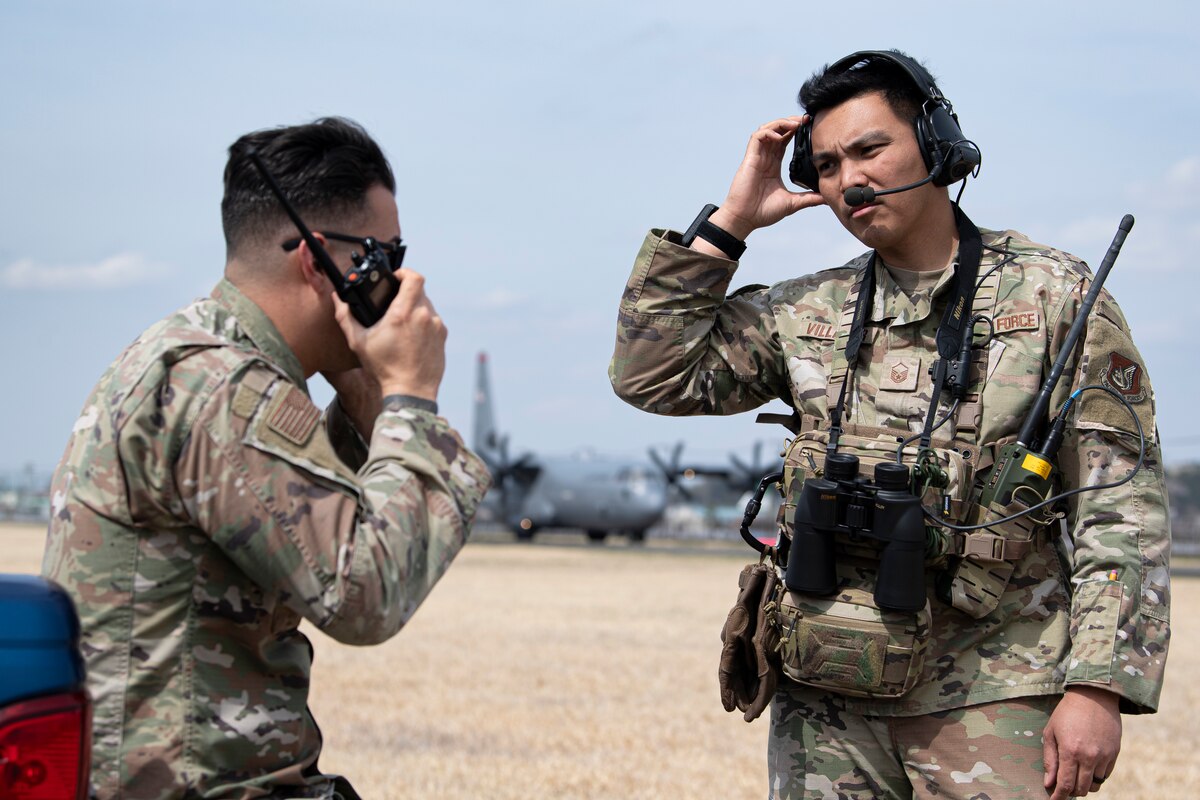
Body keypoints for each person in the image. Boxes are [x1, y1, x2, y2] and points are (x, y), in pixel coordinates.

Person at [609, 51, 1170, 800]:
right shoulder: (806, 311)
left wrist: (1099, 688)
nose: (850, 180)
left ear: (936, 142)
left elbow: (1121, 507)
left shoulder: (1058, 298)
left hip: (994, 688)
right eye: (829, 165)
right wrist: (731, 221)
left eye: (870, 149)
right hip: (825, 692)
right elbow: (652, 374)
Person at [42, 117, 492, 799]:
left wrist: (364, 394)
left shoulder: (201, 362)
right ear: (318, 262)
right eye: (384, 257)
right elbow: (364, 593)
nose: (401, 285)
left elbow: (327, 518)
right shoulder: (226, 389)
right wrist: (410, 399)